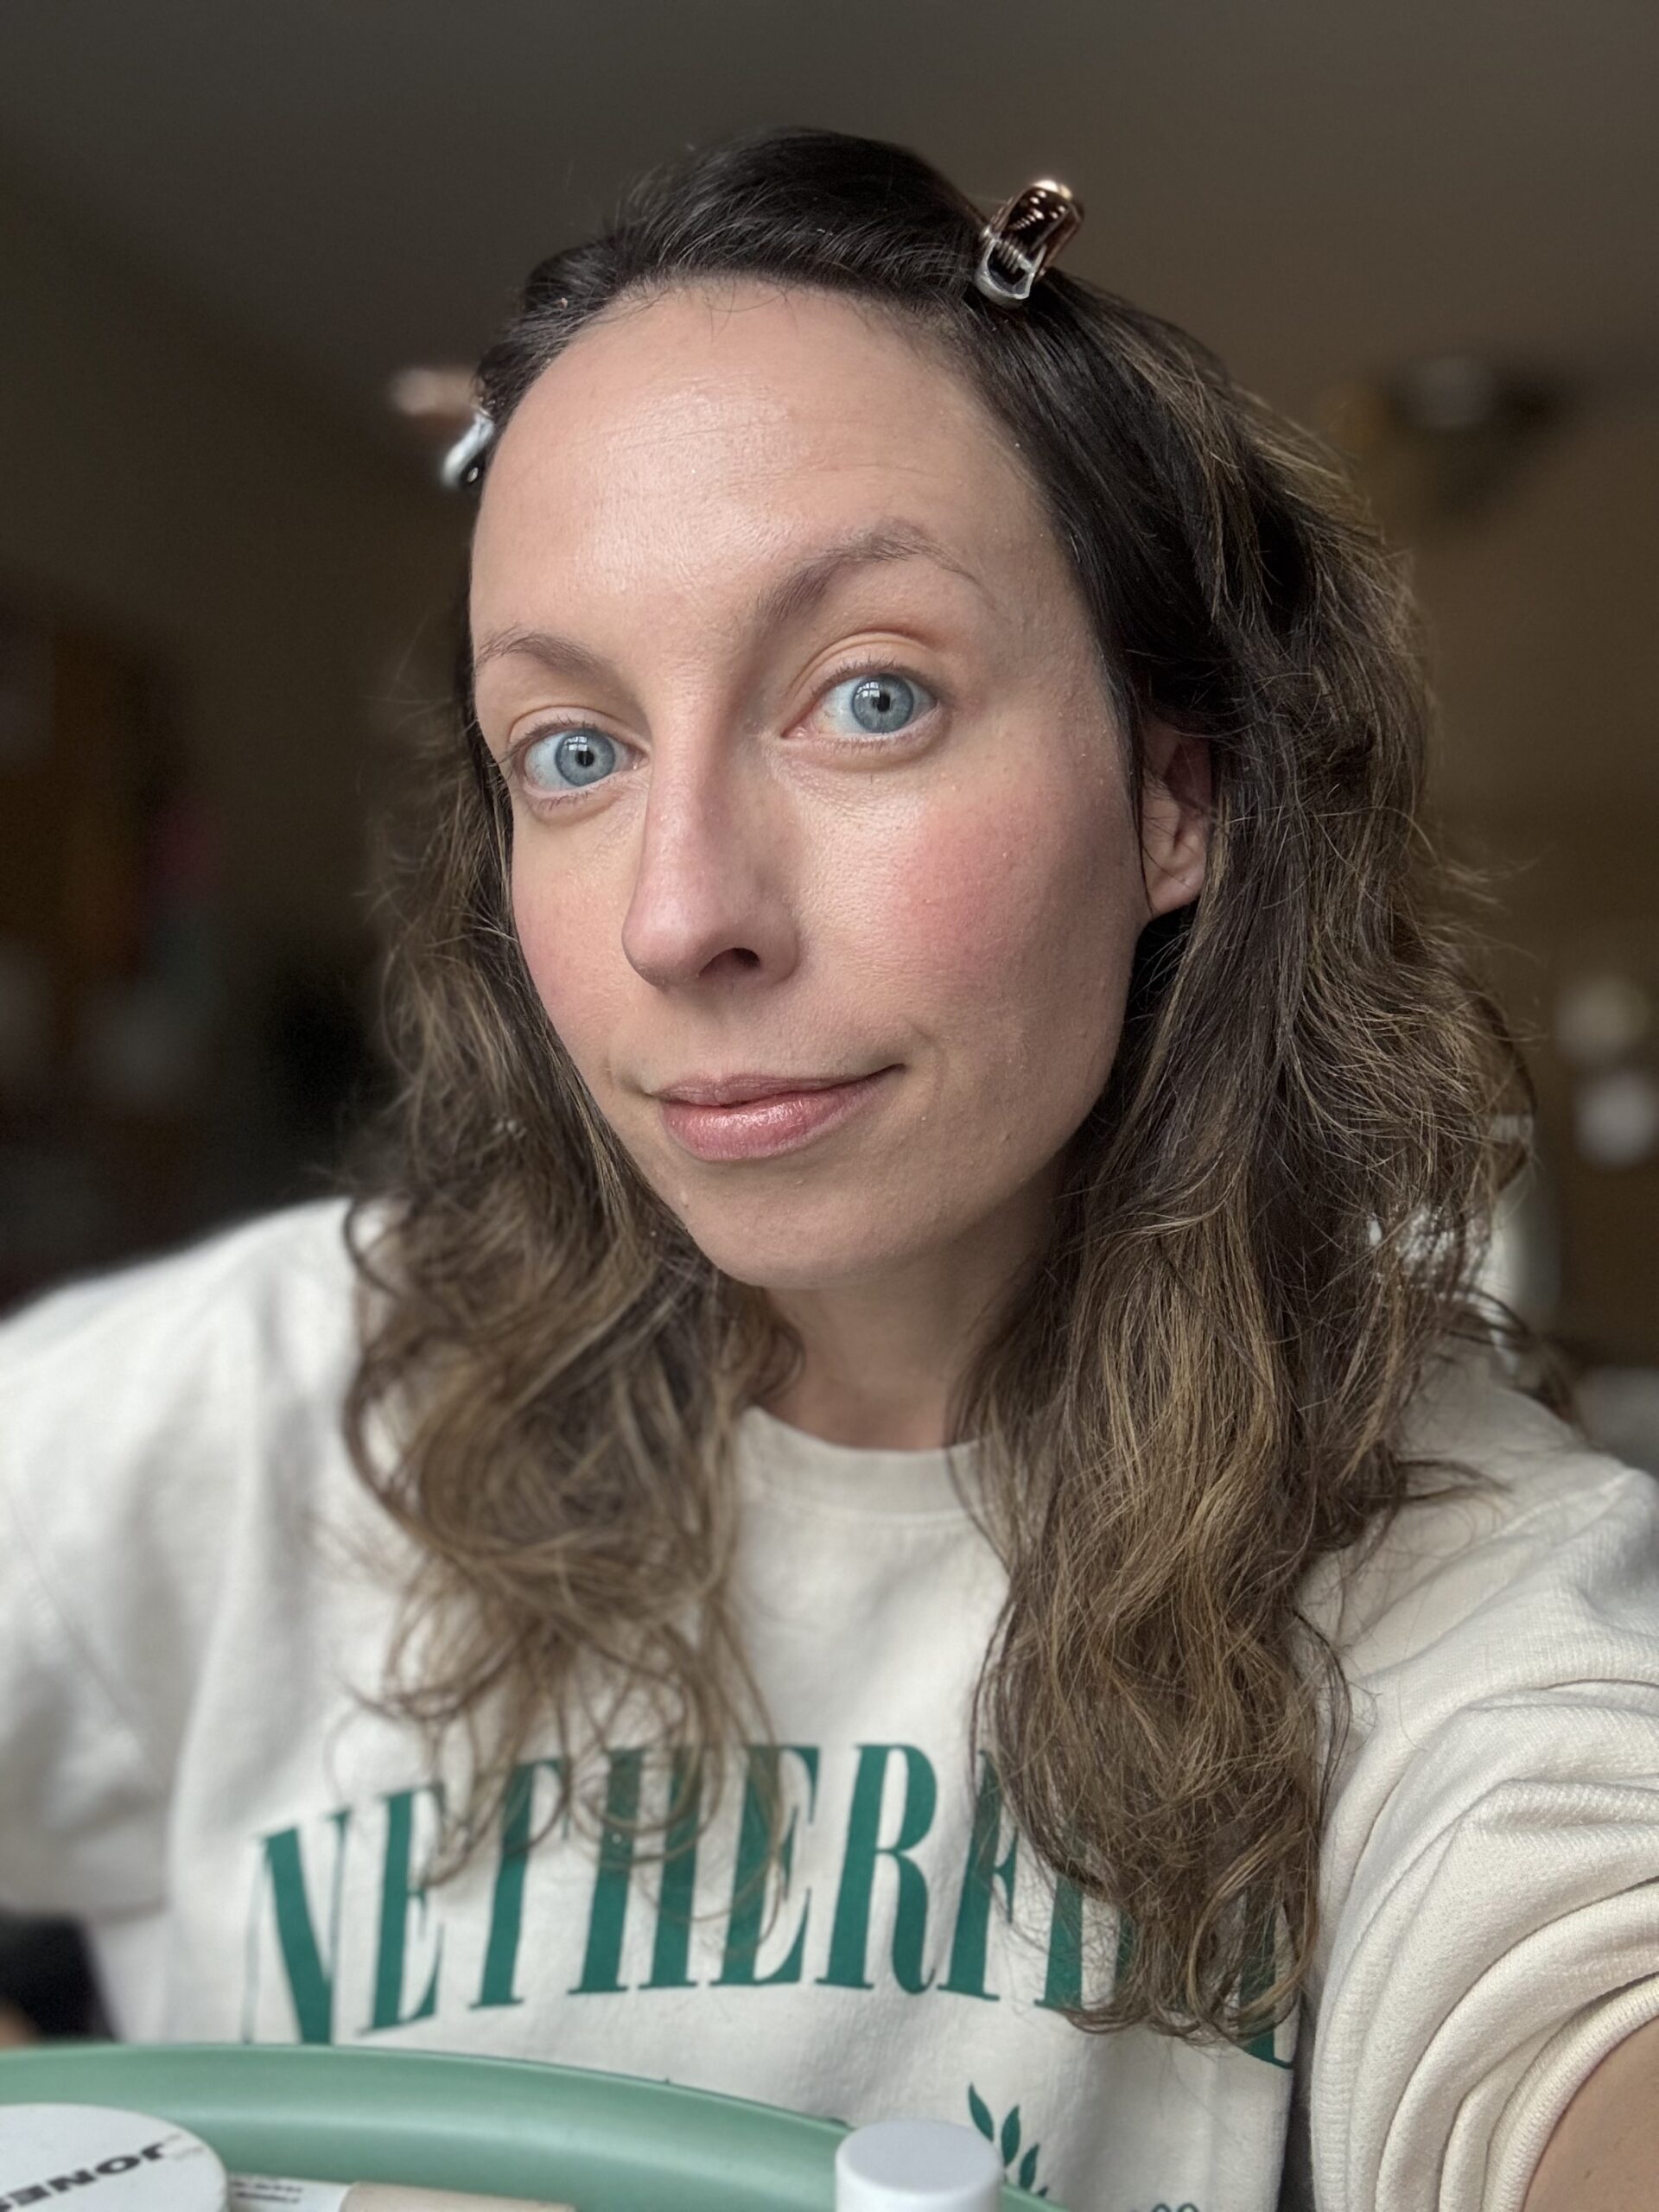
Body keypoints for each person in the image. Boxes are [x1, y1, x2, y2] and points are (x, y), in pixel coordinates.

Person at [2, 124, 1656, 2212]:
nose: (682, 915)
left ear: (1176, 799)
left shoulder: (1433, 1545)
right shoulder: (268, 1397)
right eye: (575, 750)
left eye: (870, 696)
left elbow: (1577, 1972)